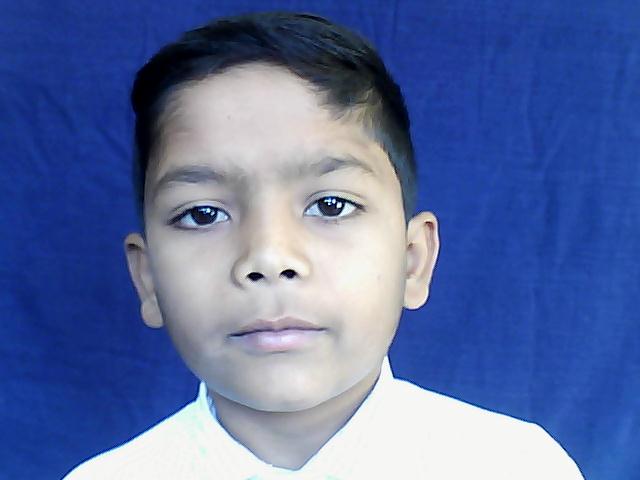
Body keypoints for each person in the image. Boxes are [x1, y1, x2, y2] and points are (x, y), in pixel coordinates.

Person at [64, 11, 584, 479]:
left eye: (331, 206)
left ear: (413, 260)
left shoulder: (518, 466)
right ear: (148, 278)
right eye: (203, 214)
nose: (268, 257)